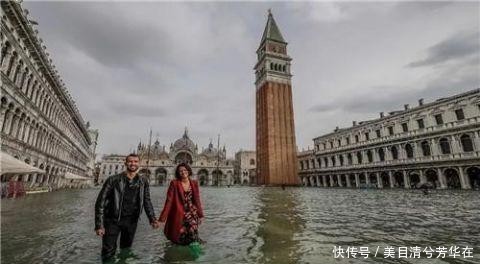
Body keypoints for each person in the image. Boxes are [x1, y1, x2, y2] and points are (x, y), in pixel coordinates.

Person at [94, 153, 160, 262]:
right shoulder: (113, 180)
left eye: (135, 161)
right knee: (108, 251)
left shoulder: (143, 181)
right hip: (112, 220)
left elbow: (147, 201)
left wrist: (152, 218)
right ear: (125, 163)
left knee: (125, 250)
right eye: (130, 161)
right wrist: (99, 225)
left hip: (131, 221)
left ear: (139, 164)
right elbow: (100, 202)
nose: (133, 164)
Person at [159, 163, 204, 245]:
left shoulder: (194, 183)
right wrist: (162, 218)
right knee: (180, 236)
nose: (183, 172)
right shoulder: (174, 183)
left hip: (192, 213)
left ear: (188, 171)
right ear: (178, 173)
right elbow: (169, 201)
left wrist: (200, 215)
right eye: (180, 171)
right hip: (179, 213)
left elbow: (197, 200)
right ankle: (179, 253)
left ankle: (194, 255)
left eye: (185, 170)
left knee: (193, 235)